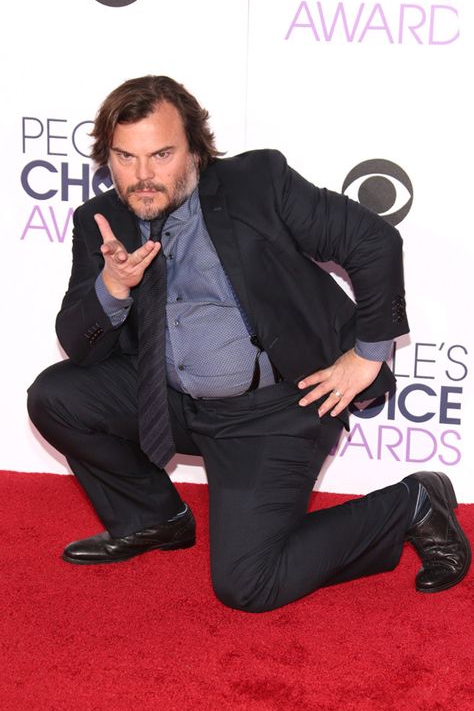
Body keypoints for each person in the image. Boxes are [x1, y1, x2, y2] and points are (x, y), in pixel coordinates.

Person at [27, 75, 470, 612]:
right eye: (125, 157)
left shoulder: (257, 183)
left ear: (195, 148)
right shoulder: (102, 221)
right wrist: (113, 287)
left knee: (248, 585)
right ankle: (153, 518)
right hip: (167, 399)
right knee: (55, 395)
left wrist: (366, 354)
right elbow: (80, 344)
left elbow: (372, 242)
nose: (143, 176)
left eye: (161, 154)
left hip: (272, 408)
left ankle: (412, 503)